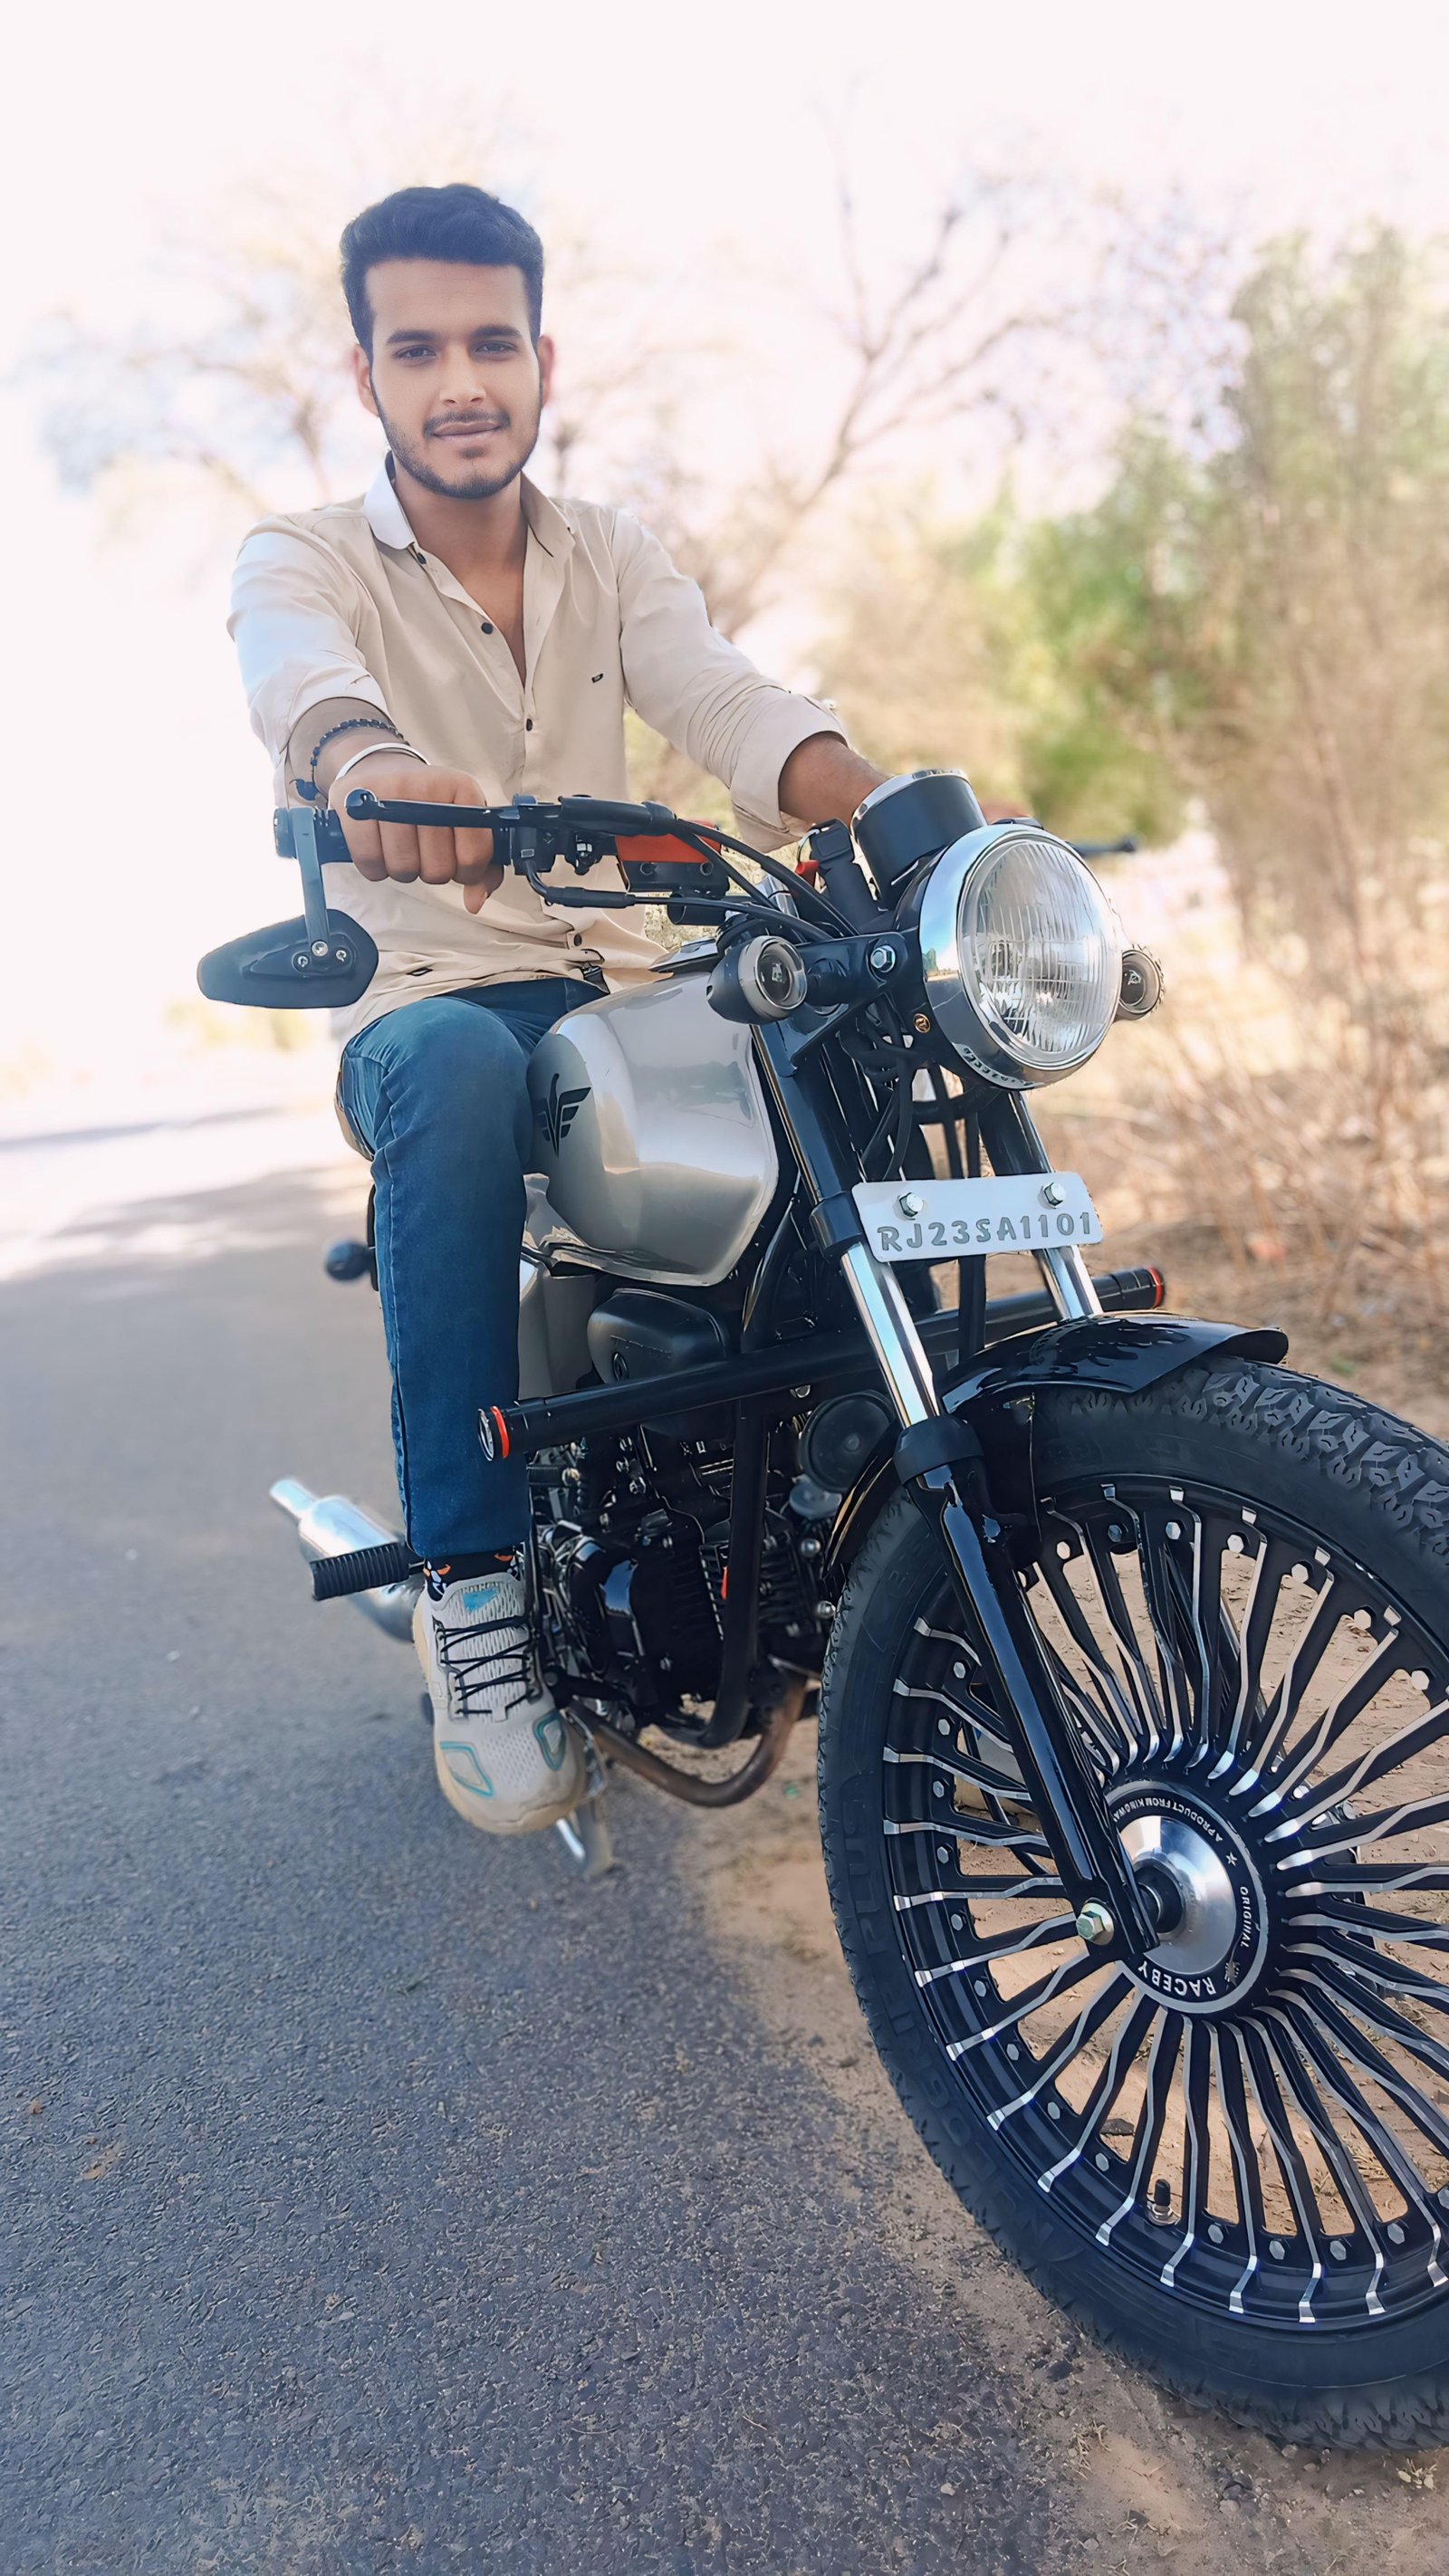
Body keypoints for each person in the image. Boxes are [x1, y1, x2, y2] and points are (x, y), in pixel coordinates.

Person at [230, 183, 888, 1838]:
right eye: (418, 349)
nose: (462, 381)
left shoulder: (611, 552)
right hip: (428, 993)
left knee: (849, 1034)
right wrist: (374, 772)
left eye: (492, 343)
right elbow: (307, 689)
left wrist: (881, 805)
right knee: (457, 1063)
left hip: (629, 985)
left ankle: (867, 1500)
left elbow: (722, 696)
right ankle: (471, 1589)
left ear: (543, 358)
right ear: (367, 375)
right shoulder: (303, 557)